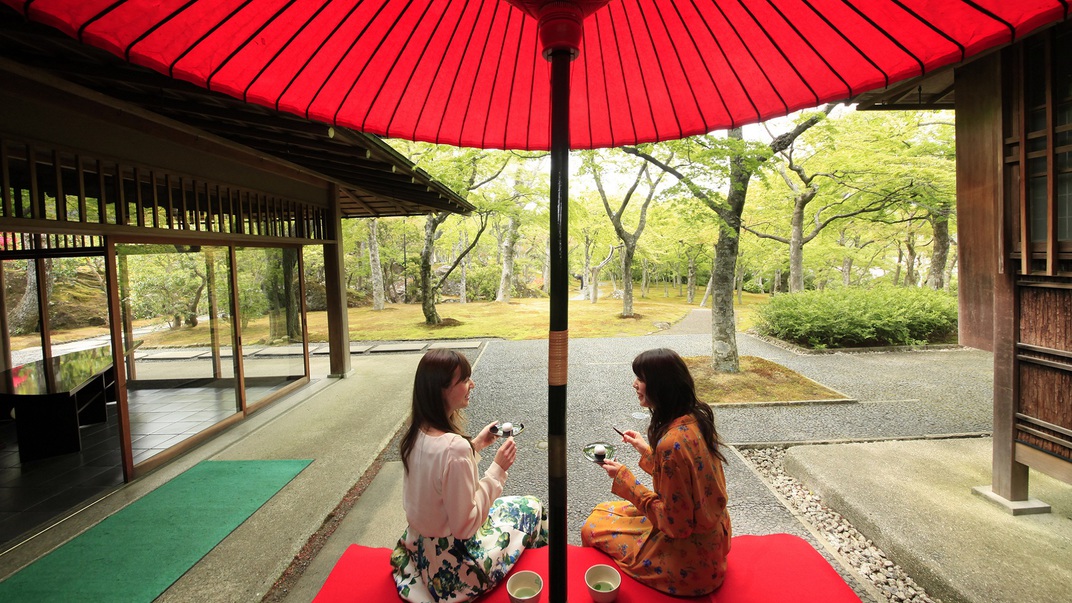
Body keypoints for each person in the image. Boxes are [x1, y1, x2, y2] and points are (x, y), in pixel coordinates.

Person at [390, 349, 547, 603]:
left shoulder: (416, 431)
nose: (471, 384)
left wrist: (476, 445)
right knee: (533, 506)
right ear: (441, 390)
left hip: (420, 550)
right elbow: (465, 526)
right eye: (464, 380)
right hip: (456, 565)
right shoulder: (454, 448)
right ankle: (533, 583)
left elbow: (442, 480)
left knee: (513, 507)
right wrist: (497, 470)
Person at [581, 348, 732, 597]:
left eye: (641, 379)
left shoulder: (671, 444)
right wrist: (646, 450)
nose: (635, 384)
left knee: (592, 527)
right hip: (714, 544)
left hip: (690, 565)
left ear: (660, 386)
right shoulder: (697, 418)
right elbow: (687, 481)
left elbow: (676, 525)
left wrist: (625, 479)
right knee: (605, 509)